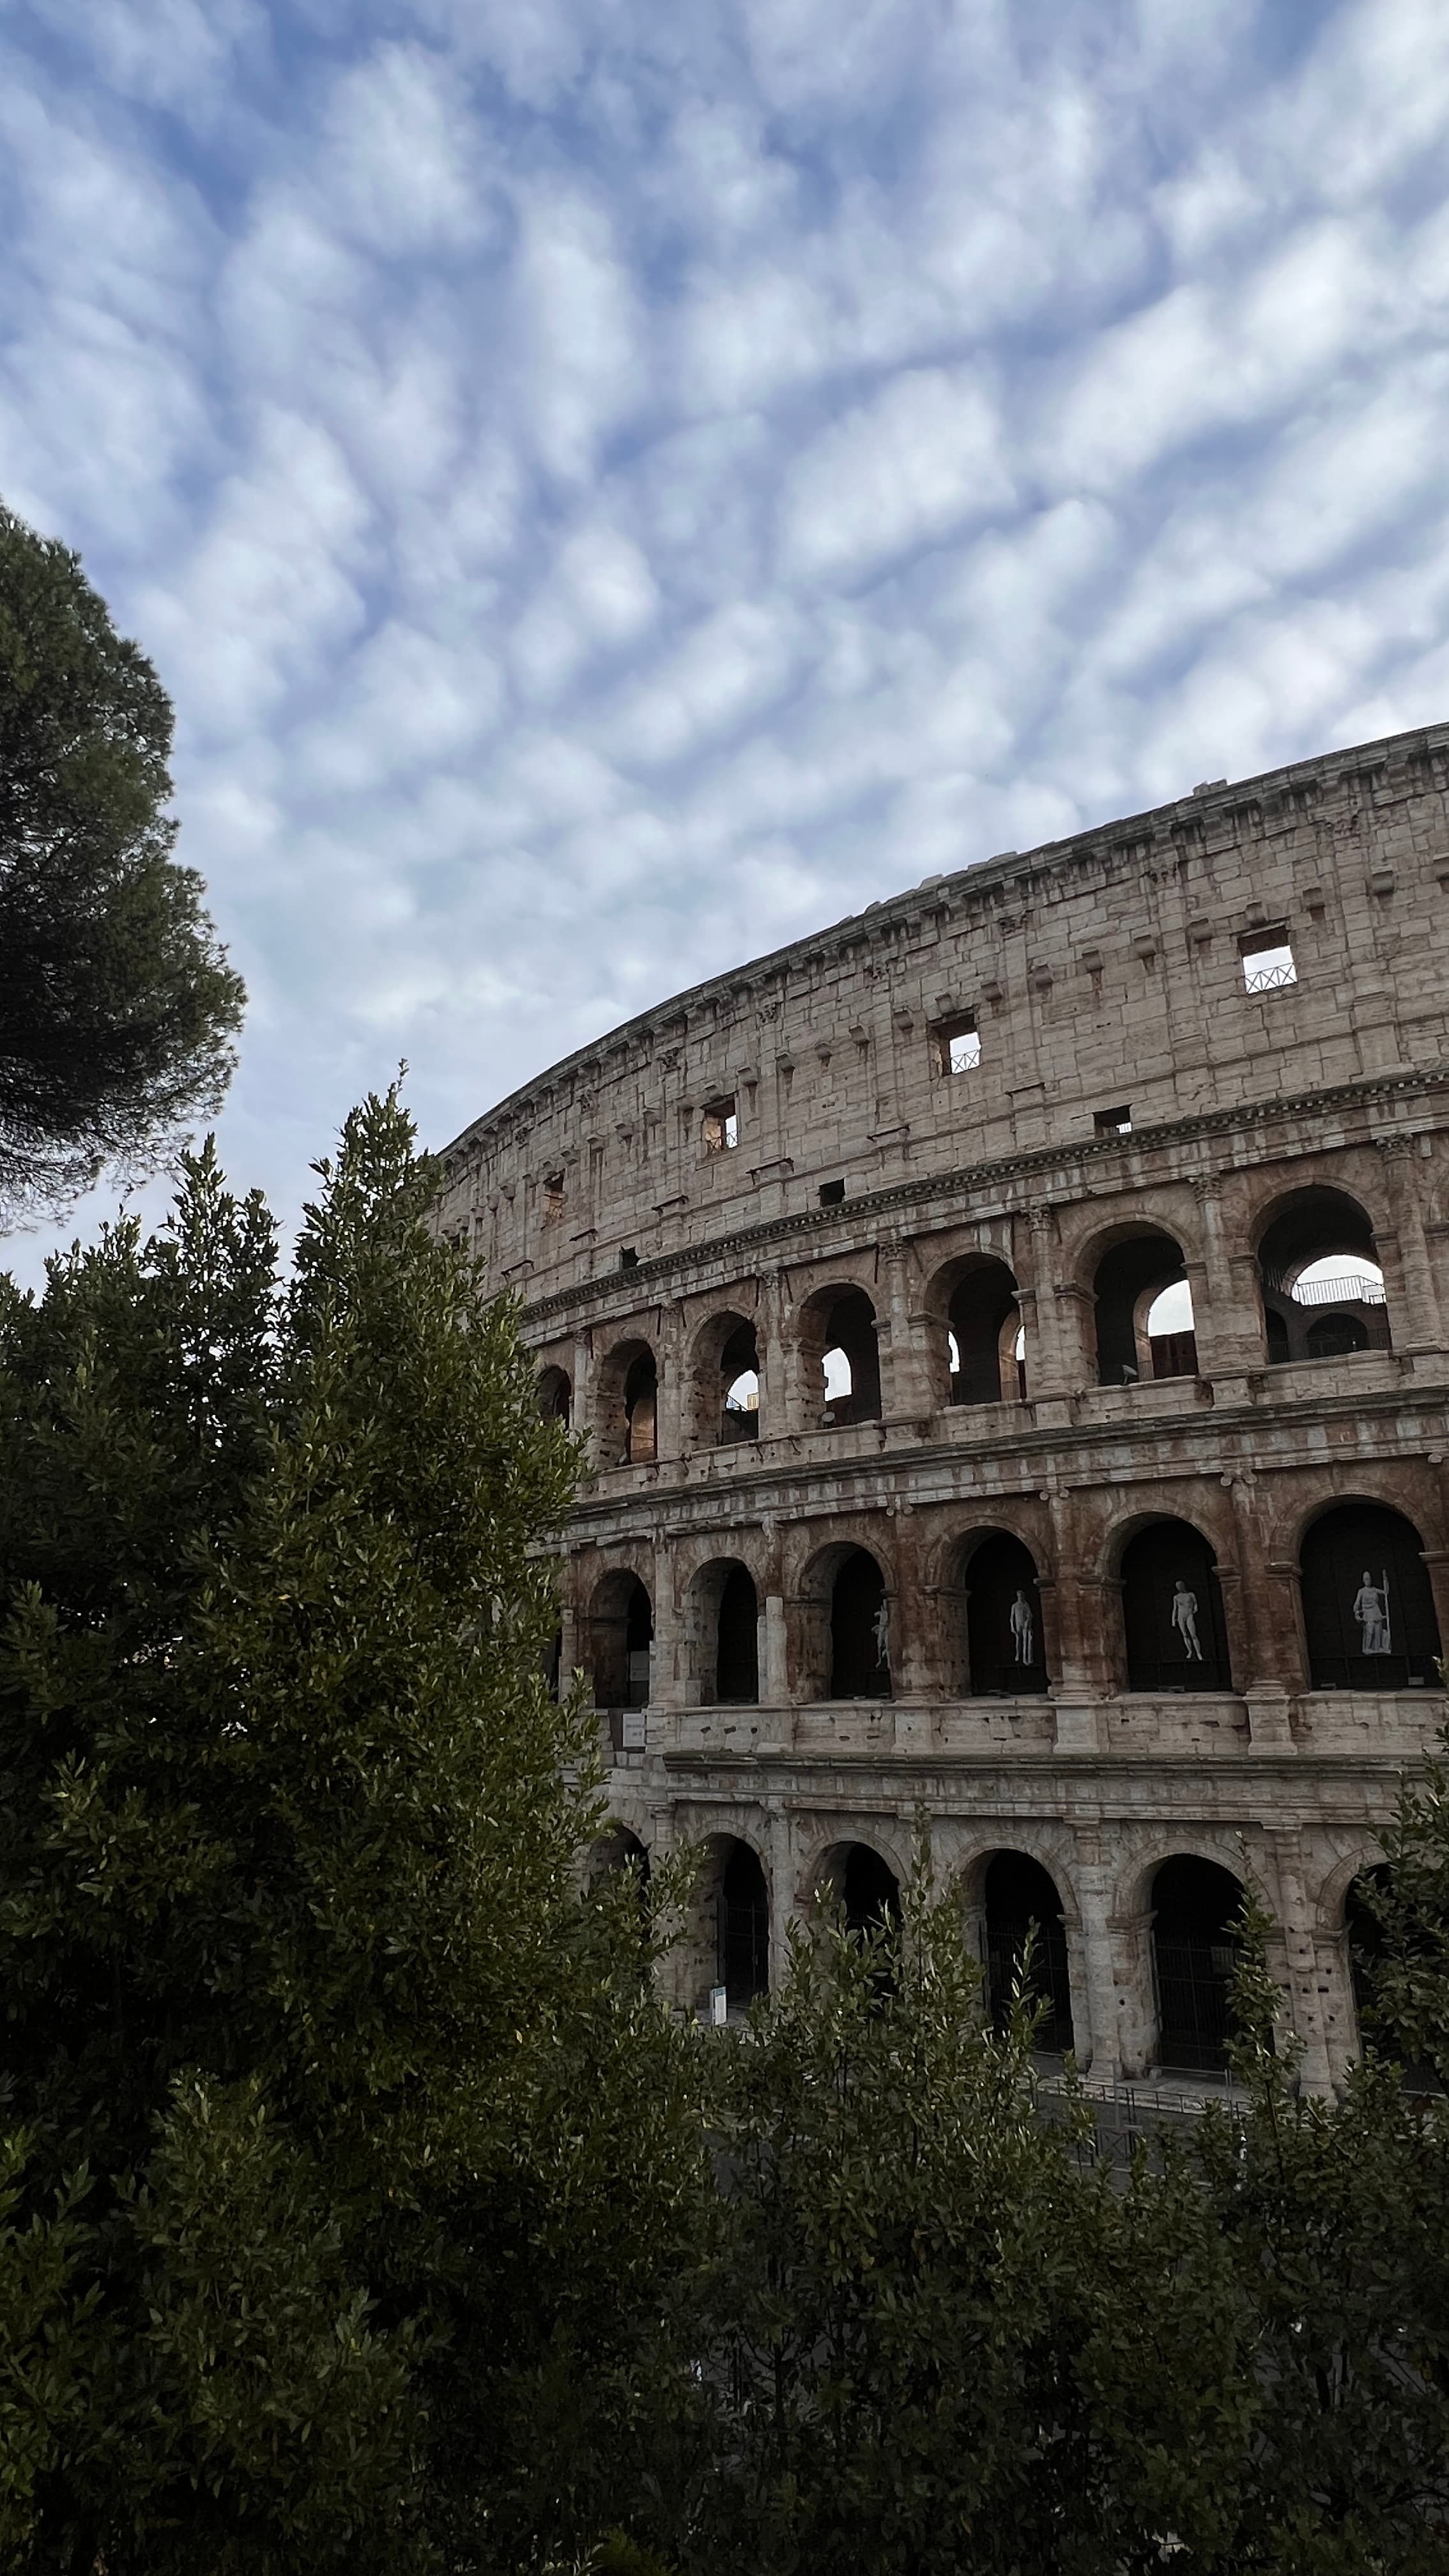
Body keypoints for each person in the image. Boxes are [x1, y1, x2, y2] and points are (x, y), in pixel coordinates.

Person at [1353, 1570, 1391, 1656]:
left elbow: (1385, 1593)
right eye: (1366, 1579)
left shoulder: (1374, 1590)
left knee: (1379, 1630)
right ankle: (1368, 1647)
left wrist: (1386, 1582)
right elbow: (1357, 1603)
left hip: (1376, 1611)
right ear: (1363, 1580)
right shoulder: (1361, 1591)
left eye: (1369, 1579)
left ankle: (1378, 1647)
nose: (1368, 1581)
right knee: (1371, 1629)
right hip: (1367, 1612)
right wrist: (1356, 1612)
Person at [1170, 1577, 1203, 1661]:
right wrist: (1173, 1619)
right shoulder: (1176, 1597)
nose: (1179, 1587)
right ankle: (1190, 1651)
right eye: (1178, 1586)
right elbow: (1175, 1609)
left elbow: (1195, 1603)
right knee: (1185, 1635)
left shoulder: (1191, 1594)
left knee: (1193, 1634)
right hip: (1181, 1616)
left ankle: (1198, 1652)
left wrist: (1195, 1609)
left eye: (1180, 1586)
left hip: (1189, 1614)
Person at [1009, 1588, 1035, 1666]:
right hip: (1018, 1625)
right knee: (1018, 1641)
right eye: (1019, 1596)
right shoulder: (1015, 1606)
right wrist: (1012, 1627)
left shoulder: (1026, 1605)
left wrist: (1028, 1622)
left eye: (1021, 1596)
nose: (1020, 1598)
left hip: (1025, 1625)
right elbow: (1012, 1618)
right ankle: (1018, 1655)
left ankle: (1025, 1659)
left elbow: (1030, 1615)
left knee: (1025, 1641)